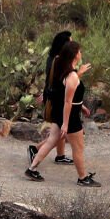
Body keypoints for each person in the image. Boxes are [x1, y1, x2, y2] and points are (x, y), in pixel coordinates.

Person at [24, 41, 99, 187]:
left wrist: (81, 106)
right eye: (79, 51)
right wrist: (65, 124)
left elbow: (69, 95)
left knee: (51, 141)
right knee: (78, 148)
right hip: (69, 116)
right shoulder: (71, 76)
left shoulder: (62, 69)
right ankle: (83, 178)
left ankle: (31, 169)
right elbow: (68, 101)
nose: (81, 53)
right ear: (75, 55)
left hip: (61, 112)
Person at [26, 31, 77, 167]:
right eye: (70, 42)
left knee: (59, 129)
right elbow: (60, 81)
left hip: (53, 96)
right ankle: (36, 149)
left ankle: (60, 156)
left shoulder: (53, 58)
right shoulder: (58, 60)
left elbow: (51, 80)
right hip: (58, 99)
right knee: (61, 131)